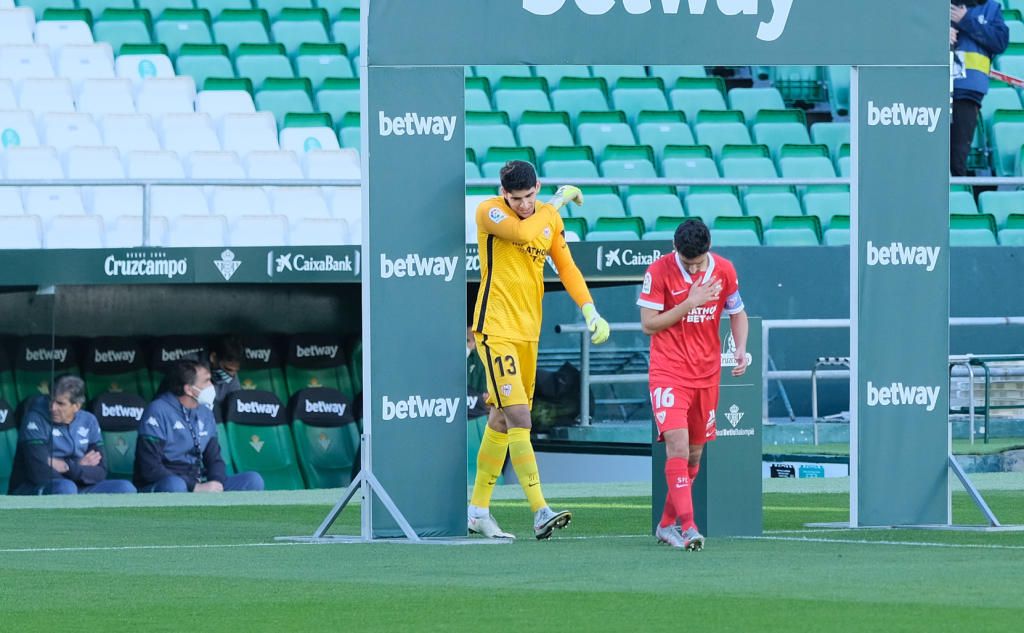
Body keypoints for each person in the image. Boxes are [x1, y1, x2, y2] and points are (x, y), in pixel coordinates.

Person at [468, 160, 611, 540]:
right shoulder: (490, 211)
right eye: (517, 198)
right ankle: (539, 510)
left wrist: (589, 309)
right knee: (519, 416)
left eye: (530, 196)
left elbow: (567, 267)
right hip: (495, 327)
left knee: (501, 419)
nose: (525, 203)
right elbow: (522, 230)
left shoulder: (544, 217)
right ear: (504, 194)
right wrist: (555, 203)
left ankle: (478, 510)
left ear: (537, 187)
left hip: (529, 333)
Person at [637, 219, 748, 551]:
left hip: (706, 373)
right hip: (668, 371)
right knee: (678, 448)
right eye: (688, 262)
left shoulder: (724, 270)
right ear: (676, 251)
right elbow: (648, 325)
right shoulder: (658, 272)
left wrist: (740, 347)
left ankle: (666, 525)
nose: (694, 266)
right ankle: (689, 527)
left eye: (698, 262)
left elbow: (737, 312)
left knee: (695, 453)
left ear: (708, 250)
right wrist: (689, 302)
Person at [134, 359, 264, 493]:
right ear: (189, 389)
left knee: (253, 480)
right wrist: (194, 487)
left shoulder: (206, 412)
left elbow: (215, 459)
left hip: (198, 482)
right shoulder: (158, 410)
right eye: (206, 381)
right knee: (176, 485)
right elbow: (150, 468)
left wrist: (216, 482)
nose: (211, 385)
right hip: (164, 484)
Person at [9, 375, 137, 495]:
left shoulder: (89, 420)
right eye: (51, 400)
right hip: (34, 488)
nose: (52, 407)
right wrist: (79, 466)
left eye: (60, 403)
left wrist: (67, 467)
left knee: (125, 488)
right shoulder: (35, 419)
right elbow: (39, 472)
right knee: (66, 487)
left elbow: (100, 472)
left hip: (78, 485)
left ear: (76, 406)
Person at [950, 0, 1008, 177]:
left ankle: (955, 201)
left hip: (968, 90)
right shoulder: (934, 5)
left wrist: (966, 20)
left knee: (957, 156)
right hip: (932, 88)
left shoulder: (991, 8)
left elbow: (1000, 42)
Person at [208, 336, 244, 415]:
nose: (232, 375)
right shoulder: (192, 369)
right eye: (228, 369)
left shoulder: (232, 375)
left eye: (235, 371)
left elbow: (236, 405)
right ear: (213, 358)